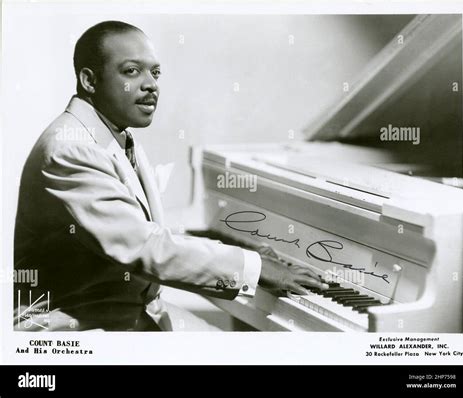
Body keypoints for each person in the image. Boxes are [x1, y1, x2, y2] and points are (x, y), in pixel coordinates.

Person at [13, 21, 326, 332]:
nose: (151, 85)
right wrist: (255, 268)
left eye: (155, 73)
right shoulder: (71, 149)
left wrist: (245, 254)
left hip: (124, 313)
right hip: (71, 329)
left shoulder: (112, 133)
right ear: (89, 80)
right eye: (132, 71)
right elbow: (145, 248)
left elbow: (145, 230)